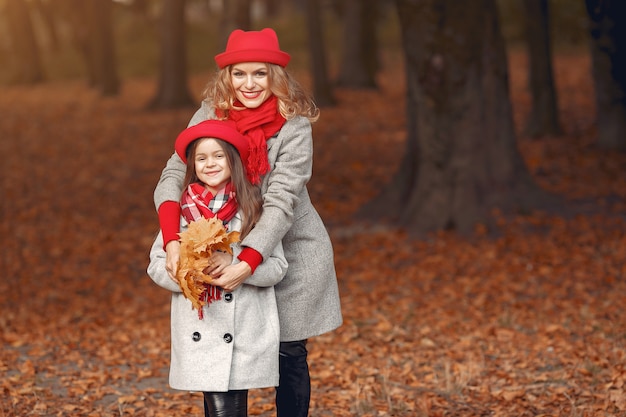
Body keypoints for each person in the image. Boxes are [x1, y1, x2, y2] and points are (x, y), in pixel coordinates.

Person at [154, 28, 343, 417]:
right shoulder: (211, 113)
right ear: (227, 77)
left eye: (260, 73)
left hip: (286, 244)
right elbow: (175, 173)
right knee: (222, 352)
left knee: (288, 351)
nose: (249, 84)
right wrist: (173, 240)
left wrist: (249, 259)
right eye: (239, 74)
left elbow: (281, 201)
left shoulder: (294, 126)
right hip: (220, 235)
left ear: (276, 76)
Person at [148, 119, 288, 417]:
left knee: (227, 406)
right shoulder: (181, 212)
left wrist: (239, 263)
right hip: (200, 326)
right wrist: (188, 275)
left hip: (245, 329)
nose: (209, 164)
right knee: (220, 406)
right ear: (192, 166)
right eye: (201, 158)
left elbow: (277, 267)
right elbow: (157, 266)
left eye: (218, 156)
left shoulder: (254, 207)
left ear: (233, 160)